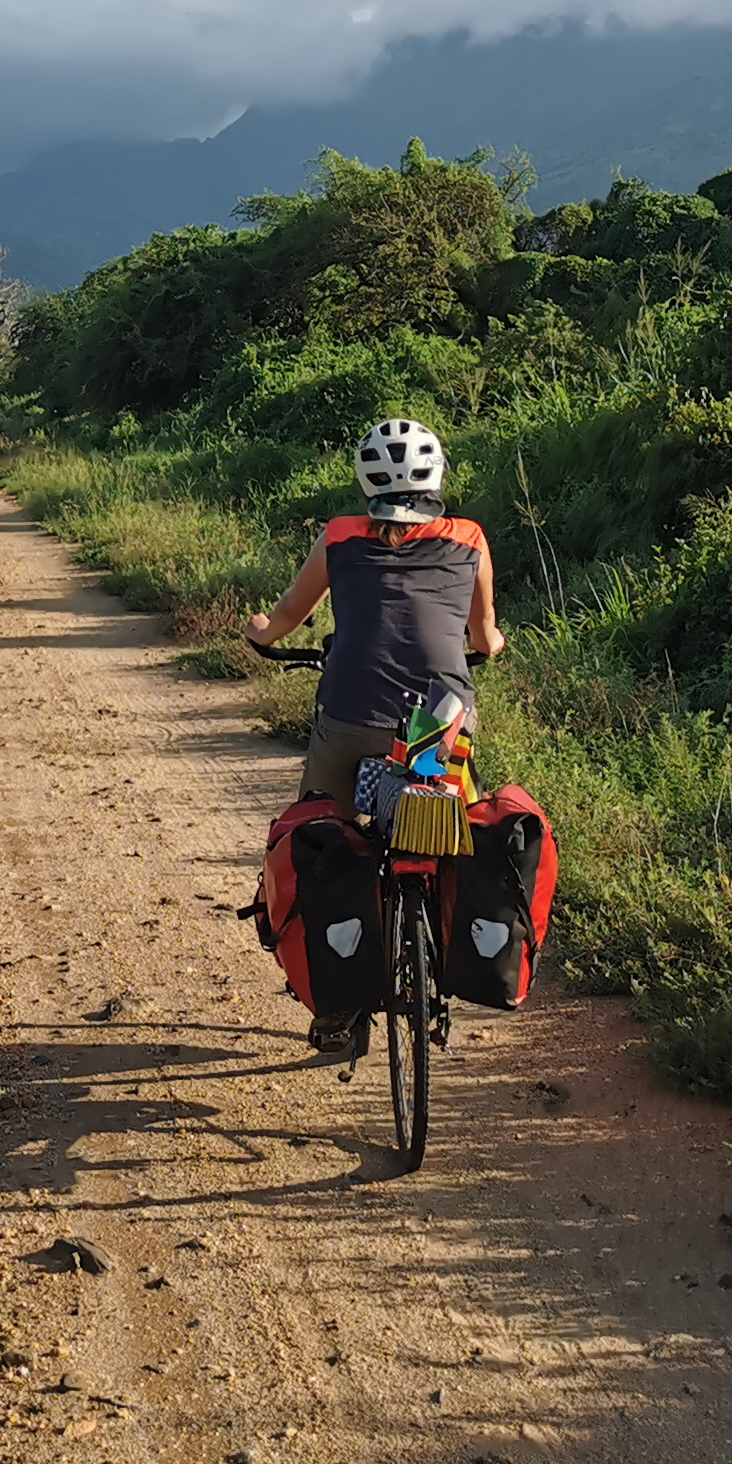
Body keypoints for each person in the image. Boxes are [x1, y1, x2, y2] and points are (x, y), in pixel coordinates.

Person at [244, 415, 505, 1052]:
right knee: (457, 832)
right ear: (437, 476)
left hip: (350, 716)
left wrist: (261, 632)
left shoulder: (338, 536)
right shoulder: (469, 538)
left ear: (366, 481)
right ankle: (451, 949)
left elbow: (288, 615)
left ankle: (338, 1007)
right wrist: (489, 645)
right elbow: (483, 635)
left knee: (324, 833)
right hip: (441, 724)